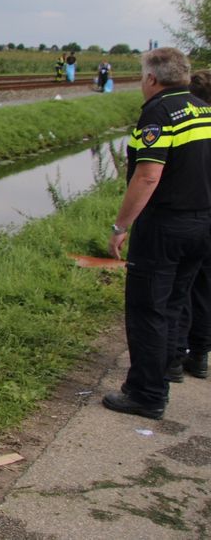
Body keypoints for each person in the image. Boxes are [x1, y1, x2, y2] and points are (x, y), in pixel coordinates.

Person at [103, 48, 211, 419]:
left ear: (152, 78)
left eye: (140, 76)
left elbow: (147, 175)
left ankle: (146, 394)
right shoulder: (203, 108)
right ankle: (165, 370)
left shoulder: (159, 112)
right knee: (176, 302)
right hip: (203, 224)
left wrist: (121, 226)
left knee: (148, 308)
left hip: (166, 226)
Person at [177, 70, 211, 379]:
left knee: (178, 289)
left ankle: (173, 358)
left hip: (190, 217)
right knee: (204, 289)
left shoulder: (191, 130)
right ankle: (199, 355)